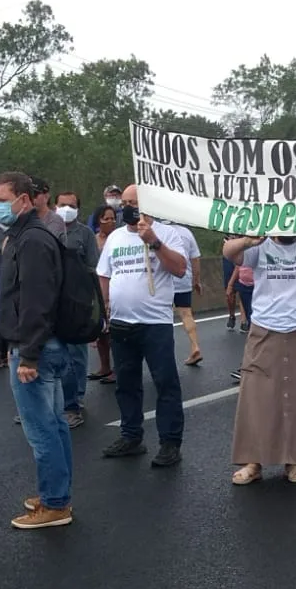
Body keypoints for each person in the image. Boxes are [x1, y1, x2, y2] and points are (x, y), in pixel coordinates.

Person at [0, 171, 74, 529]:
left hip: (37, 349)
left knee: (41, 430)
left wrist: (28, 355)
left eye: (2, 199)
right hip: (44, 345)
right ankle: (56, 493)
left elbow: (35, 301)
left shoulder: (33, 241)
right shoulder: (22, 237)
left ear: (23, 200)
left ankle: (55, 504)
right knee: (54, 426)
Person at [224, 233, 296, 484]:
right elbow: (229, 253)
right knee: (256, 396)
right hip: (265, 328)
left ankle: (293, 461)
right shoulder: (259, 245)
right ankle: (253, 461)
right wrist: (246, 241)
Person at [95, 184, 188, 468]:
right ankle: (131, 436)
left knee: (165, 383)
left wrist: (155, 242)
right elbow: (104, 274)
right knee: (126, 384)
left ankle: (170, 442)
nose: (126, 208)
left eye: (132, 202)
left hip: (154, 323)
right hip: (122, 322)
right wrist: (105, 310)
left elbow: (180, 268)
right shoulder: (116, 238)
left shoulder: (168, 233)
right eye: (123, 203)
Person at [56, 190, 99, 428]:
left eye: (71, 205)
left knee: (77, 353)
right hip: (54, 299)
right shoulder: (47, 229)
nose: (66, 209)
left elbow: (94, 267)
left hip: (79, 301)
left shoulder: (85, 234)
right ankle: (59, 398)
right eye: (62, 204)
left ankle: (78, 396)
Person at [86, 203, 118, 384]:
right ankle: (104, 366)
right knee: (101, 332)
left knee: (114, 333)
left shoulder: (118, 238)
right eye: (106, 218)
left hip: (115, 289)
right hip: (96, 290)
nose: (110, 222)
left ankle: (118, 368)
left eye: (113, 218)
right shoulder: (93, 240)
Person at [168, 221, 204, 366]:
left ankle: (164, 354)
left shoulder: (158, 231)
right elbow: (195, 259)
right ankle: (195, 346)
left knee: (163, 318)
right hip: (183, 279)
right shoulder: (186, 233)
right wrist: (196, 280)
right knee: (186, 314)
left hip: (164, 281)